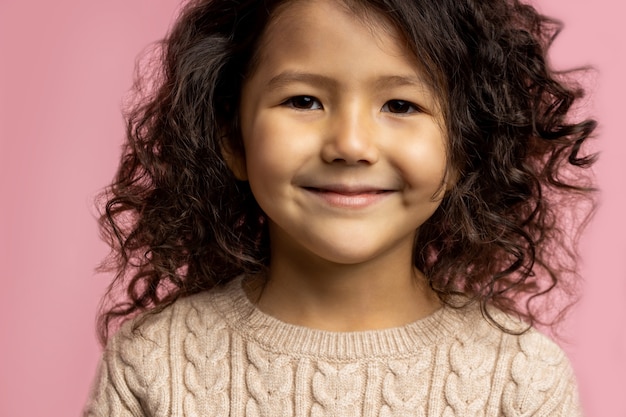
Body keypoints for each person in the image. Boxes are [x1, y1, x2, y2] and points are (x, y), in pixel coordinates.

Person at [84, 0, 597, 415]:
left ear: (465, 149)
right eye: (304, 100)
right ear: (232, 138)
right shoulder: (154, 364)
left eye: (400, 105)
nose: (351, 144)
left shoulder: (521, 380)